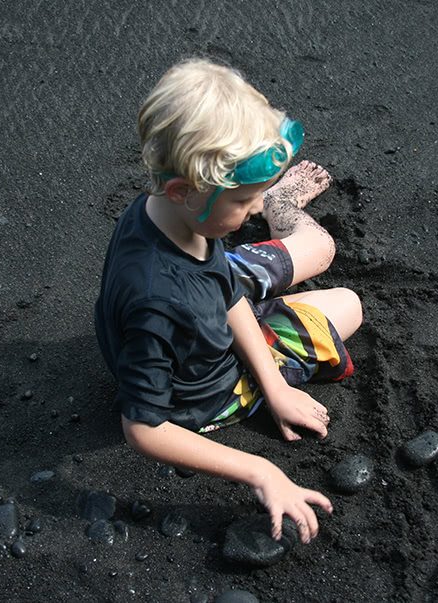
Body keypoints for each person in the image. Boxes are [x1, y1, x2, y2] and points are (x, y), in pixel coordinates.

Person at [95, 58, 363, 545]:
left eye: (258, 197)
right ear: (183, 190)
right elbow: (143, 426)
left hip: (206, 288)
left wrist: (276, 388)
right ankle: (289, 213)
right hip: (208, 387)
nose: (253, 209)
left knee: (319, 251)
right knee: (348, 305)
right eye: (247, 200)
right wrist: (260, 470)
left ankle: (287, 210)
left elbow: (224, 288)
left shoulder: (169, 216)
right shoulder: (156, 301)